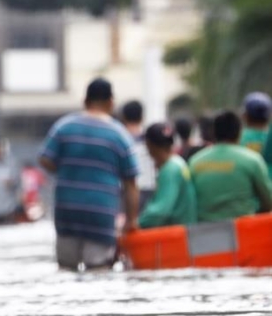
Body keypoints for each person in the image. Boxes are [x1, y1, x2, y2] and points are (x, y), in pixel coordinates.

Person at [39, 78, 139, 271]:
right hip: (100, 213)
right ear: (111, 102)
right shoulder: (120, 135)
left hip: (66, 211)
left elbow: (45, 159)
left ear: (85, 101)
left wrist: (67, 169)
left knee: (66, 270)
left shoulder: (63, 127)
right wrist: (131, 221)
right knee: (98, 270)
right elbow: (131, 184)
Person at [189, 110, 272, 222]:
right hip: (242, 232)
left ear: (214, 132)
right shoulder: (252, 161)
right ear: (239, 132)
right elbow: (268, 201)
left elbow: (188, 202)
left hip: (205, 232)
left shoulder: (195, 162)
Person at [138, 123, 197, 228]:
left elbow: (160, 211)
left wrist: (137, 223)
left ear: (149, 144)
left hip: (175, 235)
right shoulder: (177, 162)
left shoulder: (170, 170)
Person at [121, 100, 156, 210]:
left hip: (124, 192)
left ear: (124, 117)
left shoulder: (119, 139)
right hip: (148, 191)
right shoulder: (150, 140)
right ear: (142, 116)